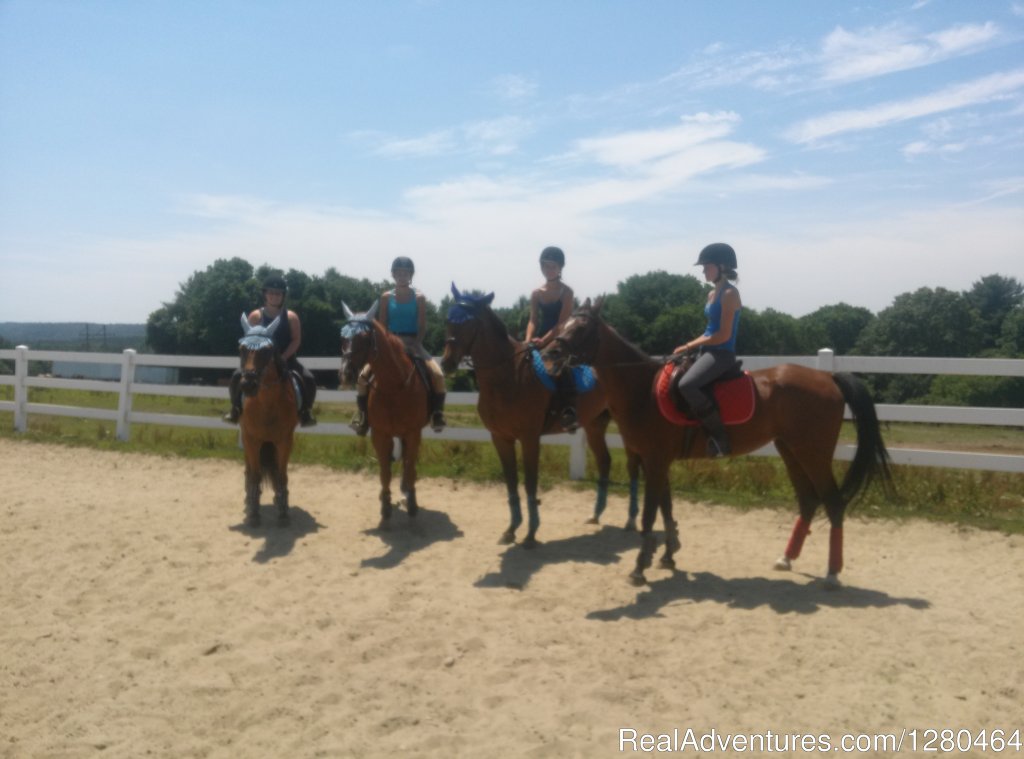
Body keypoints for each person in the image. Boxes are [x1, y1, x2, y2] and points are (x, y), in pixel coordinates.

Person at [349, 256, 447, 435]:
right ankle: (362, 416)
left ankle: (436, 414)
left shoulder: (419, 297)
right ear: (393, 275)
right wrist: (389, 344)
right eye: (399, 273)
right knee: (363, 377)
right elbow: (383, 324)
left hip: (413, 342)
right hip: (390, 343)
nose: (402, 276)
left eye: (406, 273)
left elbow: (422, 325)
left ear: (411, 275)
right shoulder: (386, 297)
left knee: (437, 374)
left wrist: (416, 343)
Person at [673, 242, 742, 457]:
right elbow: (708, 331)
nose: (703, 271)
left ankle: (721, 439)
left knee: (688, 384)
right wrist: (689, 347)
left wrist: (689, 345)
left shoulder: (730, 294)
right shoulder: (712, 294)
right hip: (707, 351)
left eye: (707, 266)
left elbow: (722, 335)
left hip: (722, 354)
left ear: (721, 266)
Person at [224, 274, 317, 427]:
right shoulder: (255, 316)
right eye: (271, 293)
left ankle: (306, 412)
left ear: (283, 296)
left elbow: (296, 340)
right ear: (265, 294)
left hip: (286, 360)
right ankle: (235, 409)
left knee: (309, 379)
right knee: (236, 377)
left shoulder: (291, 317)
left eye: (278, 293)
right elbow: (249, 341)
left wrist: (283, 357)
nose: (274, 296)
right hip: (259, 361)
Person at [525, 246, 578, 431]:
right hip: (540, 337)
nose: (549, 270)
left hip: (561, 338)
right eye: (546, 266)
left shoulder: (567, 292)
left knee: (558, 365)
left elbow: (562, 323)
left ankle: (569, 410)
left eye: (552, 266)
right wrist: (528, 339)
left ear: (560, 267)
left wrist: (544, 341)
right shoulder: (536, 293)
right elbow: (533, 319)